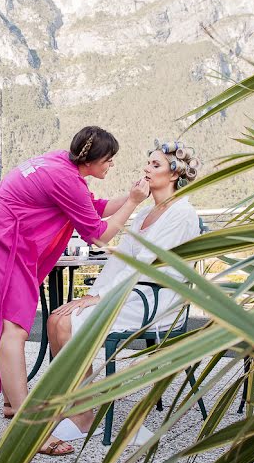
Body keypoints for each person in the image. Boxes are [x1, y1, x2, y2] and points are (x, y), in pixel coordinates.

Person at [0, 126, 150, 456]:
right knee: (13, 329)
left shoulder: (59, 162)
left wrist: (130, 198)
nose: (111, 165)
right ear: (94, 159)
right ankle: (29, 430)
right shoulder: (67, 178)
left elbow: (93, 206)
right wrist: (133, 203)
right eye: (109, 160)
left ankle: (13, 404)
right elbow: (100, 235)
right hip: (0, 244)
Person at [46, 139, 203, 444]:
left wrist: (100, 298)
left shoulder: (182, 212)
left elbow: (146, 265)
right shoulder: (144, 215)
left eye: (155, 164)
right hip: (128, 292)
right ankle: (76, 407)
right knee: (54, 320)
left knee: (65, 323)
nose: (146, 168)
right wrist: (95, 295)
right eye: (148, 162)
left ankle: (82, 416)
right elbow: (121, 261)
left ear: (173, 175)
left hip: (155, 298)